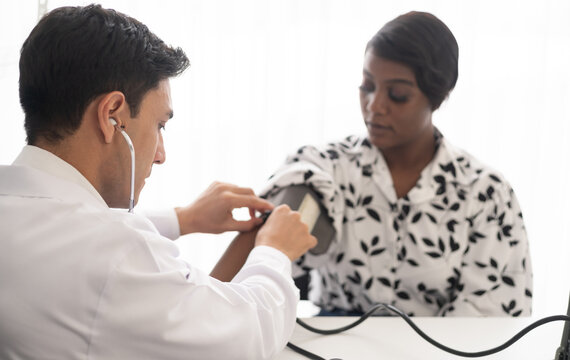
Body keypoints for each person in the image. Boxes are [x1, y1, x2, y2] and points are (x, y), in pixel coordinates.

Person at [0, 5, 316, 359]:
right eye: (159, 125)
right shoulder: (115, 251)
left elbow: (62, 236)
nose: (161, 154)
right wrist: (275, 251)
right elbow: (244, 338)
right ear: (112, 116)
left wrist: (183, 219)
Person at [211, 11, 533, 317]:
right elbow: (250, 267)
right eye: (367, 86)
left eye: (397, 95)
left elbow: (492, 319)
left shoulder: (486, 194)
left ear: (438, 96)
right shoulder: (326, 170)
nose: (374, 106)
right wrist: (202, 314)